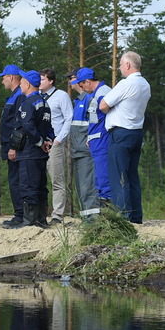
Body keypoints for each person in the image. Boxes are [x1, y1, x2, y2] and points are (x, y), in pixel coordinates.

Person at [99, 51, 151, 224]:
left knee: (119, 177)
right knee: (132, 176)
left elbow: (103, 105)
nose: (119, 67)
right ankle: (136, 217)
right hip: (136, 132)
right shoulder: (145, 84)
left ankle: (124, 218)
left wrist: (111, 110)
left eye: (121, 64)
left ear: (128, 65)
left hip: (120, 133)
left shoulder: (125, 83)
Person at [6, 70, 54, 229]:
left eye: (22, 82)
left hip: (29, 152)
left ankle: (30, 222)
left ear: (27, 84)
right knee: (40, 186)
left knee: (28, 185)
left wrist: (40, 142)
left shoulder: (28, 103)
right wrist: (47, 141)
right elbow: (49, 127)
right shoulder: (44, 102)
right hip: (40, 154)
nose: (20, 85)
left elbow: (27, 125)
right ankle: (41, 220)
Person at [40, 69, 73, 225]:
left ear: (50, 81)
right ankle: (40, 213)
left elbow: (68, 118)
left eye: (42, 79)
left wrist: (59, 139)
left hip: (55, 143)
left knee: (56, 180)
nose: (39, 82)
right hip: (39, 145)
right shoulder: (37, 97)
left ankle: (57, 215)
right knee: (39, 180)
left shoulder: (61, 96)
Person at [67, 70, 101, 222]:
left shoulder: (89, 99)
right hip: (78, 150)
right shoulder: (78, 101)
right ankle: (87, 218)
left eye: (72, 78)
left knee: (88, 186)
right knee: (81, 186)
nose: (71, 82)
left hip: (86, 150)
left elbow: (95, 124)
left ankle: (92, 220)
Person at [0, 65, 26, 227]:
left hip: (15, 147)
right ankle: (19, 213)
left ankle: (20, 215)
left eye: (3, 77)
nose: (2, 81)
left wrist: (13, 146)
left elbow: (17, 124)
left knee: (17, 180)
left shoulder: (19, 96)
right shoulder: (14, 96)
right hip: (10, 145)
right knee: (14, 179)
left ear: (11, 77)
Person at [79, 69, 112, 206]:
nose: (82, 89)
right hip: (96, 141)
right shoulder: (96, 93)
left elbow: (109, 113)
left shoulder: (103, 92)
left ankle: (110, 213)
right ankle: (105, 212)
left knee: (104, 178)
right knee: (99, 179)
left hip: (103, 141)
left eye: (82, 85)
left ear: (88, 81)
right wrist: (90, 137)